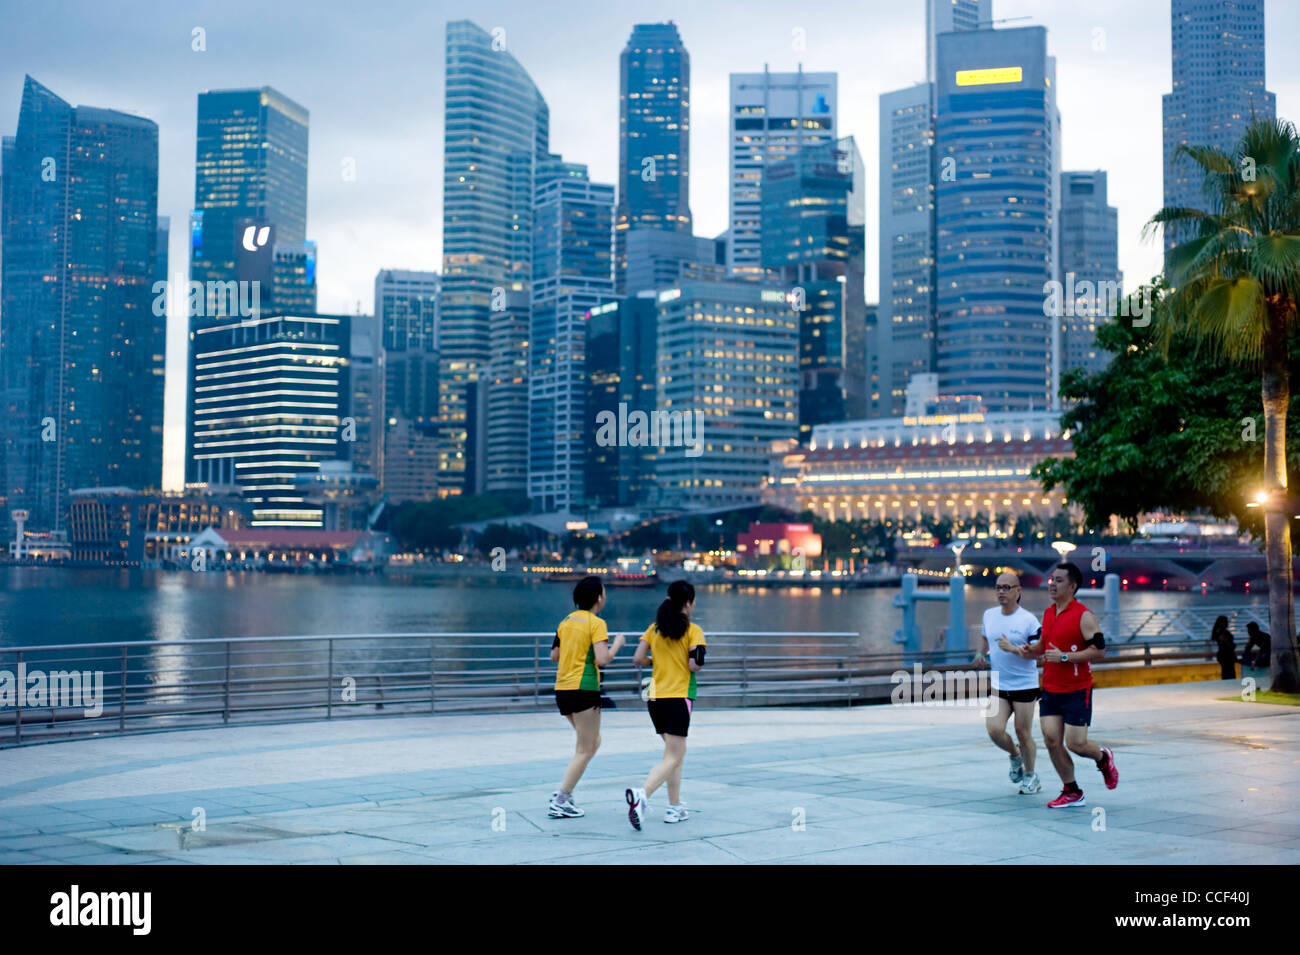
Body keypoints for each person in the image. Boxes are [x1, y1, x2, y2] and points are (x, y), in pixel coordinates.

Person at [1000, 562, 1118, 808]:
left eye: (1059, 580)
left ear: (1073, 586)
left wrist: (1065, 657)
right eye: (1051, 579)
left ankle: (1103, 759)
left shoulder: (1084, 615)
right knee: (1052, 740)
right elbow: (1042, 648)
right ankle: (1072, 790)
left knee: (1076, 744)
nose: (1052, 584)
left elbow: (1100, 651)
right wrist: (1023, 649)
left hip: (1077, 689)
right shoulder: (1048, 613)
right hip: (1051, 689)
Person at [625, 580, 706, 830]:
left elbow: (638, 658)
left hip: (654, 695)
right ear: (689, 602)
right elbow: (695, 664)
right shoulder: (693, 630)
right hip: (678, 695)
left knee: (672, 755)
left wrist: (657, 661)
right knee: (676, 754)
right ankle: (643, 795)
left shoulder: (654, 628)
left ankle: (674, 807)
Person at [548, 575, 625, 819]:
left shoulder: (566, 622)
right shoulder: (596, 623)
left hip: (563, 689)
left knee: (591, 744)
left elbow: (554, 656)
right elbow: (602, 659)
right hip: (584, 688)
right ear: (598, 597)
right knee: (586, 747)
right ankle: (561, 798)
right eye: (604, 592)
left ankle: (564, 796)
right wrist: (617, 645)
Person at [976, 572, 1042, 795]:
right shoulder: (989, 615)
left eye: (1006, 587)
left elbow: (1038, 654)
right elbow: (986, 638)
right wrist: (980, 654)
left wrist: (1013, 649)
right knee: (994, 729)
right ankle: (1015, 756)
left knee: (1023, 733)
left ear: (1018, 590)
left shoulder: (1029, 620)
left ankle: (1031, 776)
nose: (1001, 591)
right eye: (998, 587)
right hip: (999, 685)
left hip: (1024, 685)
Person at [1211, 616, 1237, 680]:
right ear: (1223, 623)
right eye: (1226, 621)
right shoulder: (1222, 632)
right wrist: (1232, 645)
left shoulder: (1217, 632)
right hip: (1227, 655)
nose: (1227, 623)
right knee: (1230, 673)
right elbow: (1227, 643)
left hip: (1223, 655)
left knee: (1226, 673)